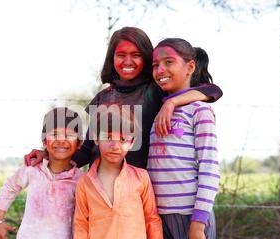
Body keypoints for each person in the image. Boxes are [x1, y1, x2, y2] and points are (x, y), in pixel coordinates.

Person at [24, 26, 223, 170]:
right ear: (112, 57)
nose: (128, 61)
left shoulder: (155, 91)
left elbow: (213, 90)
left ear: (146, 58)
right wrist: (49, 156)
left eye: (136, 54)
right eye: (121, 55)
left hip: (138, 190)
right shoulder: (103, 98)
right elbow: (87, 149)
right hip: (100, 190)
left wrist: (172, 102)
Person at [148, 38, 220, 239]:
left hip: (192, 216)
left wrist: (198, 224)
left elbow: (210, 169)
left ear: (190, 67)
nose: (160, 69)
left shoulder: (200, 111)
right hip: (159, 218)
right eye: (155, 65)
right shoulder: (157, 111)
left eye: (169, 62)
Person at [0, 107, 84, 239]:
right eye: (54, 134)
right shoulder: (32, 169)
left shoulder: (81, 180)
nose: (61, 140)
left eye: (69, 135)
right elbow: (10, 187)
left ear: (80, 143)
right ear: (43, 141)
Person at [73, 105, 163, 239]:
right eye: (108, 137)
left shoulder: (141, 178)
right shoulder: (84, 183)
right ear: (96, 138)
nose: (115, 145)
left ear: (132, 142)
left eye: (122, 139)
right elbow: (81, 226)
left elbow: (152, 218)